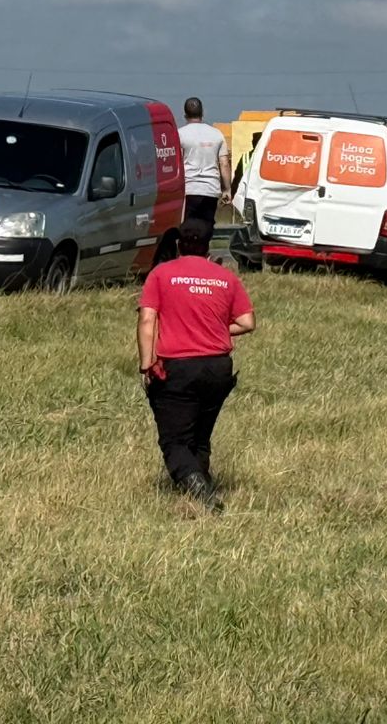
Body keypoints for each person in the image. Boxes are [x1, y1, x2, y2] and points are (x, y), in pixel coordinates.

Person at [137, 216, 256, 511]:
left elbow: (147, 318)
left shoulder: (162, 274)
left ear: (179, 245)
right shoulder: (225, 278)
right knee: (200, 436)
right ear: (207, 247)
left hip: (177, 368)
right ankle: (202, 484)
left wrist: (146, 364)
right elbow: (247, 322)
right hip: (218, 369)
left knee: (174, 441)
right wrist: (214, 330)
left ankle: (201, 493)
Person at [178, 97, 231, 225]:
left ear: (185, 114)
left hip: (188, 190)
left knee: (187, 228)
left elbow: (177, 164)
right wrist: (227, 190)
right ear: (203, 113)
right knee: (206, 228)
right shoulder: (216, 134)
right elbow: (224, 163)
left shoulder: (179, 134)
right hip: (210, 190)